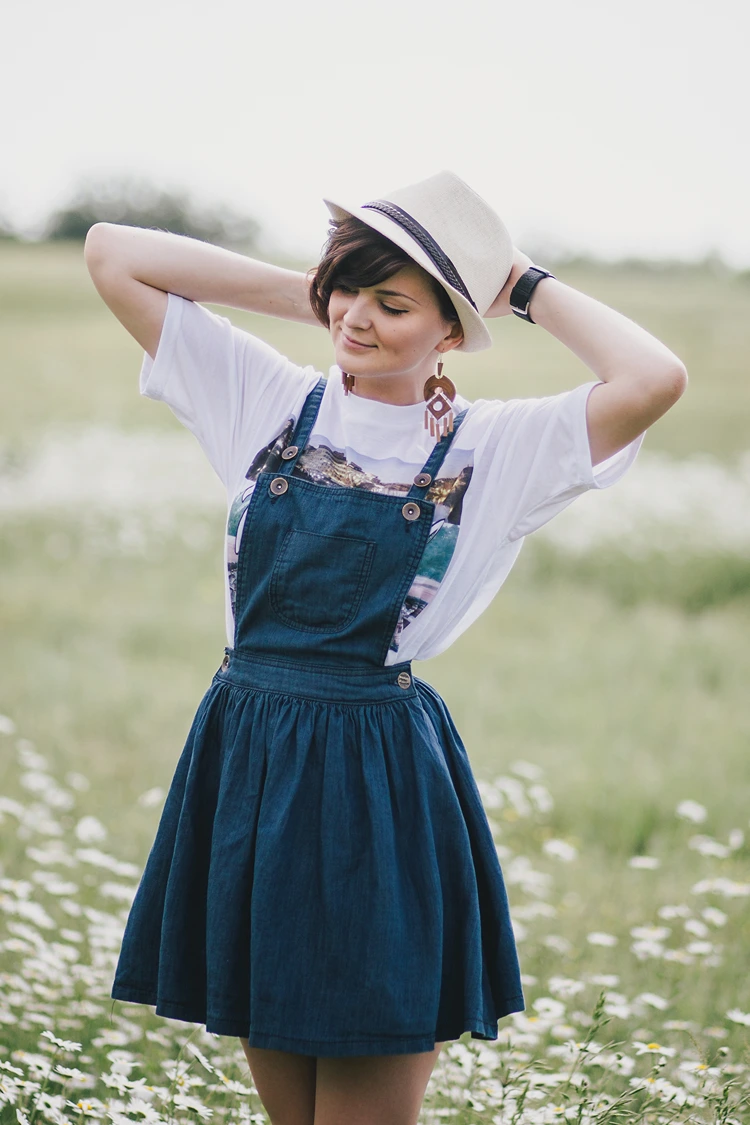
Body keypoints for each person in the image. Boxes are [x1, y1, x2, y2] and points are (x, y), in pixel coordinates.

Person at [84, 170, 687, 1125]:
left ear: (451, 330)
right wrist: (330, 295)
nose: (358, 319)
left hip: (377, 781)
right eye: (349, 291)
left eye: (394, 305)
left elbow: (654, 379)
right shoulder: (271, 398)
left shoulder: (493, 449)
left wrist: (519, 284)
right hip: (251, 757)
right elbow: (113, 252)